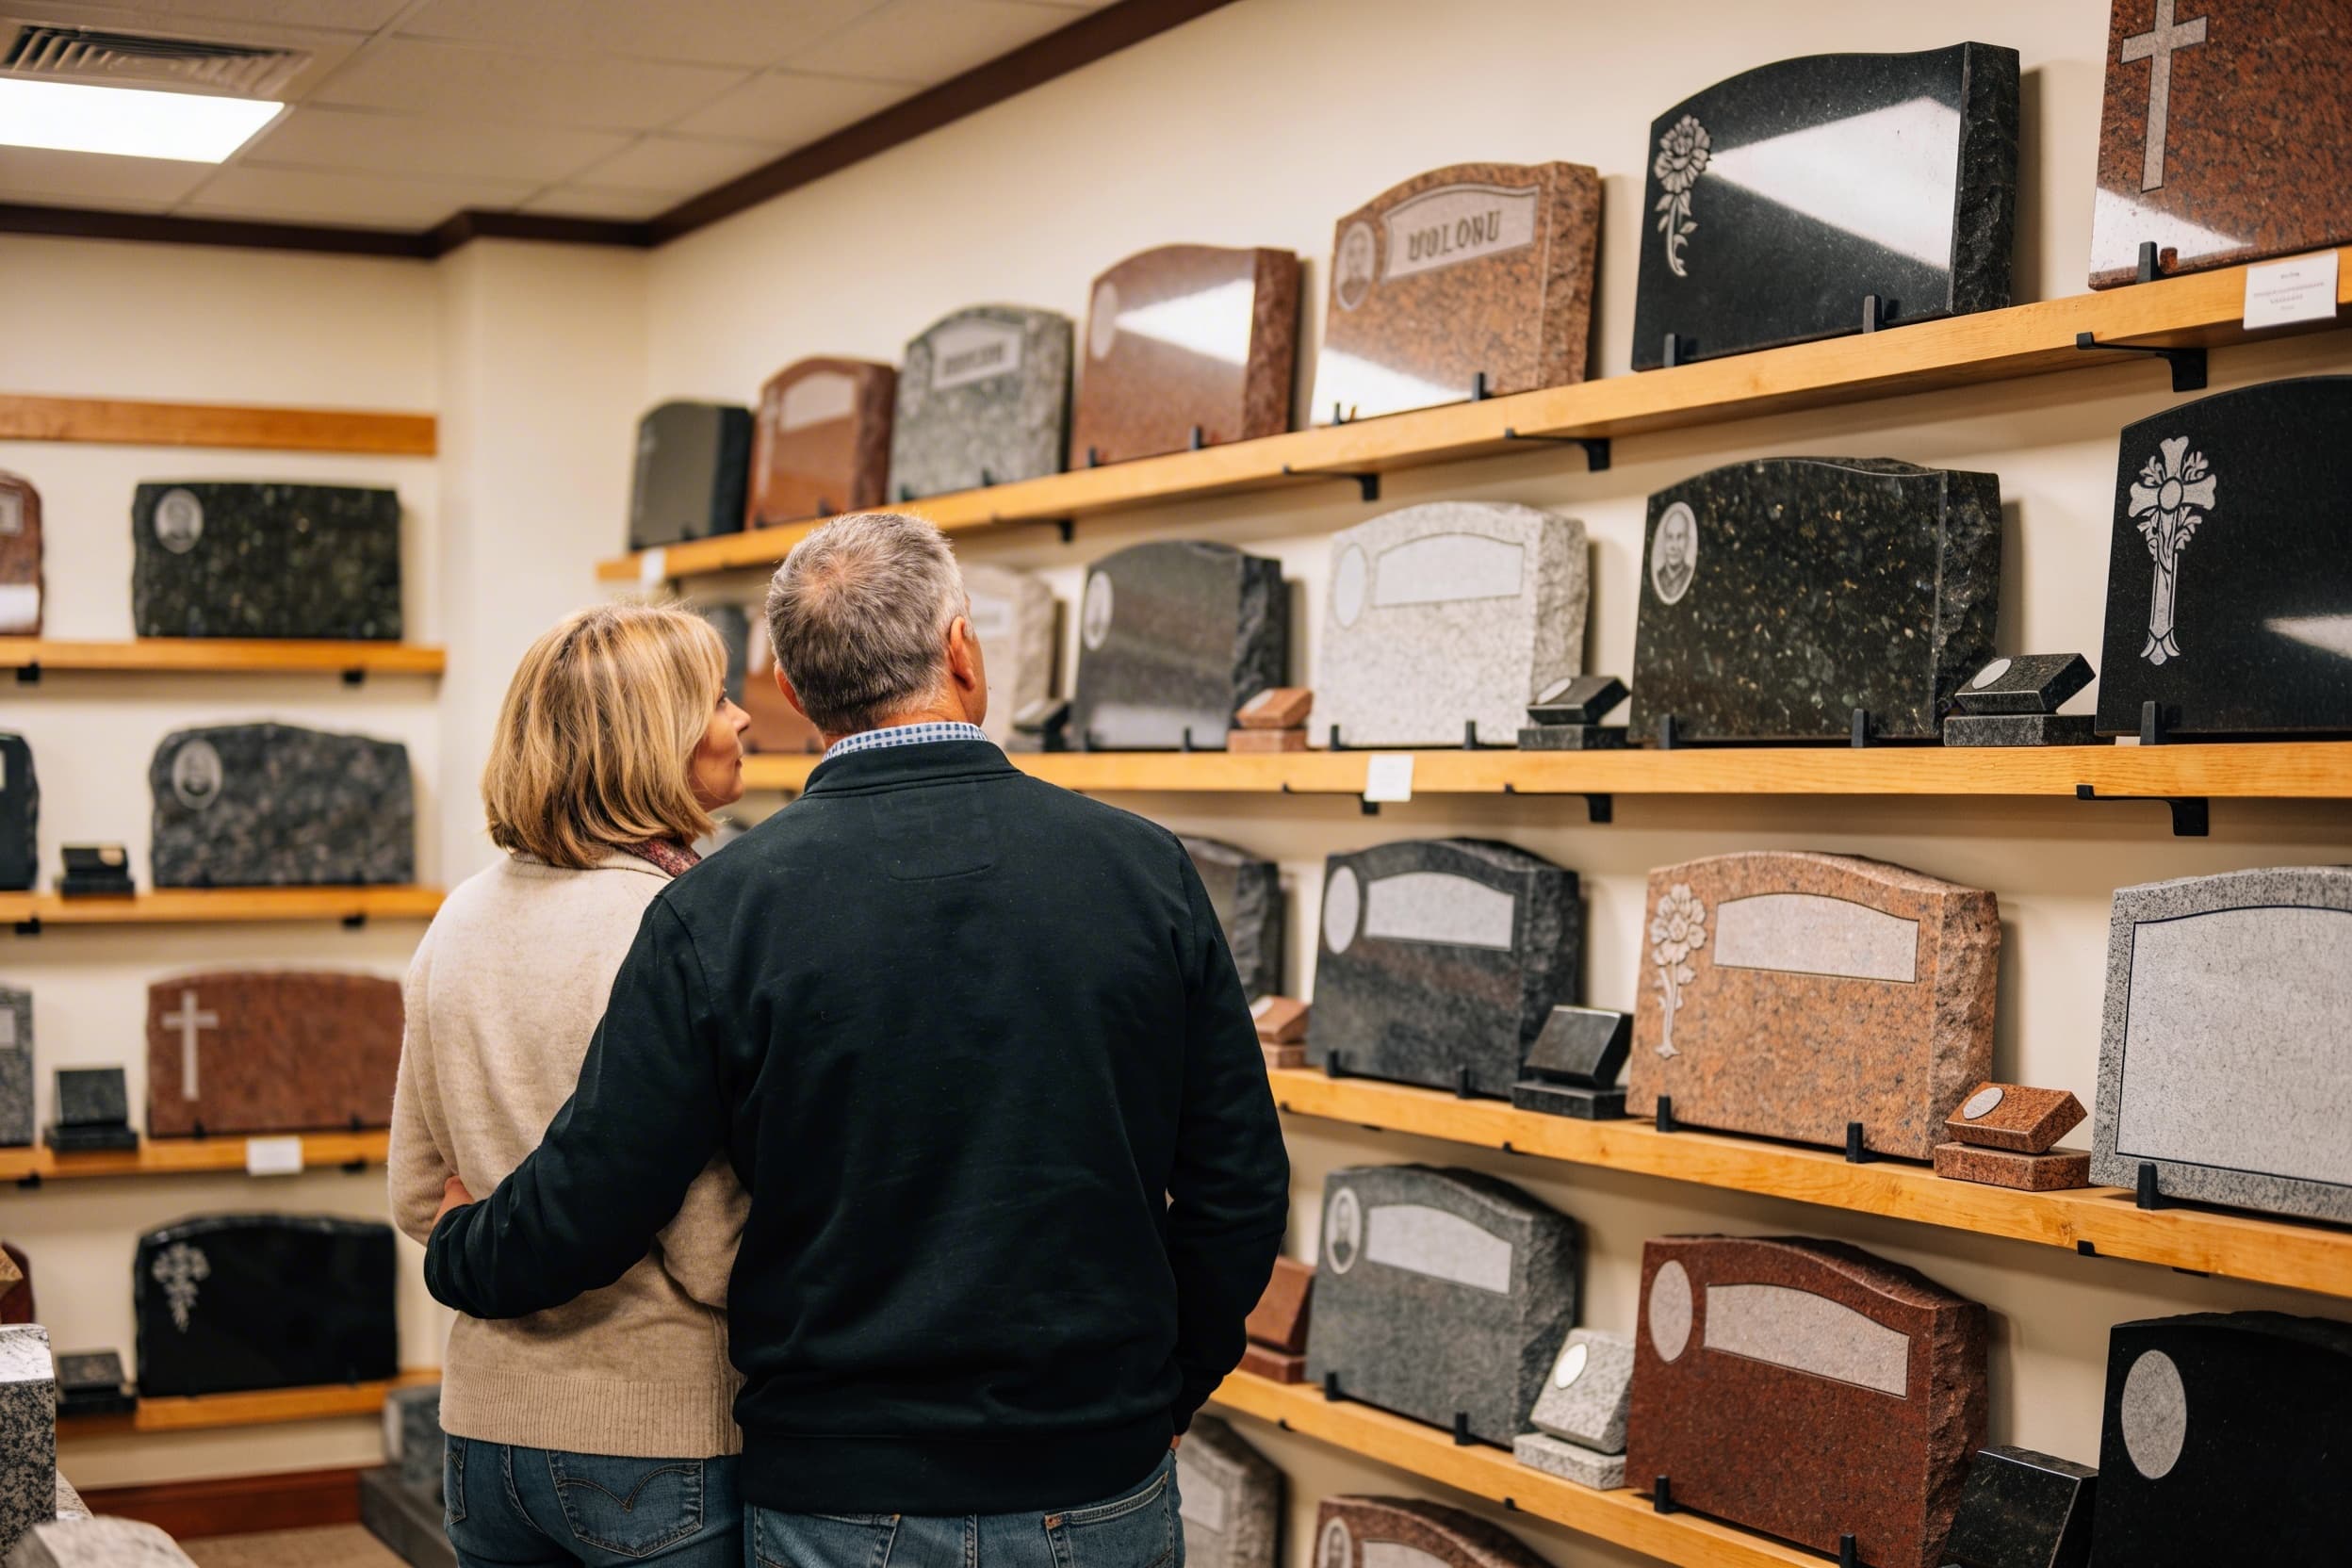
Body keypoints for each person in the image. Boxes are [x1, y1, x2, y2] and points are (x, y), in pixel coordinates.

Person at [425, 512, 1289, 1568]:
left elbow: (599, 1193)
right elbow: (1238, 1184)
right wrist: (1166, 1386)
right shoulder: (1144, 870)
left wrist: (460, 1249)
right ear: (960, 649)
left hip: (837, 1496)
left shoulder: (721, 909)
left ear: (792, 691)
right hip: (1095, 1473)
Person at [389, 602, 753, 1568]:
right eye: (715, 697)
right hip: (656, 1434)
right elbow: (714, 1249)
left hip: (485, 1430)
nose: (743, 717)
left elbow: (420, 1194)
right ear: (653, 741)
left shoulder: (456, 918)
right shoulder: (675, 924)